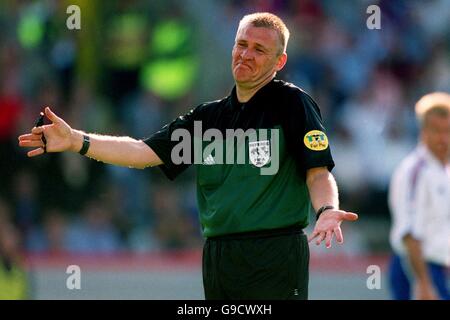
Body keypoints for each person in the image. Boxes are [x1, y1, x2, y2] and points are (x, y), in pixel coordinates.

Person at [18, 12, 358, 300]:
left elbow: (318, 171)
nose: (246, 54)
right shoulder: (207, 118)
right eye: (241, 44)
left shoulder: (292, 104)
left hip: (275, 251)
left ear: (278, 61)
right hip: (219, 255)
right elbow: (144, 152)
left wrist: (326, 210)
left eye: (259, 49)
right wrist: (78, 140)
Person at [388, 92, 450, 300]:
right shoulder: (415, 171)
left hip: (440, 268)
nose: (444, 138)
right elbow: (409, 233)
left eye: (448, 131)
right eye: (437, 131)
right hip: (417, 269)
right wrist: (423, 282)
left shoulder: (445, 170)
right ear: (424, 131)